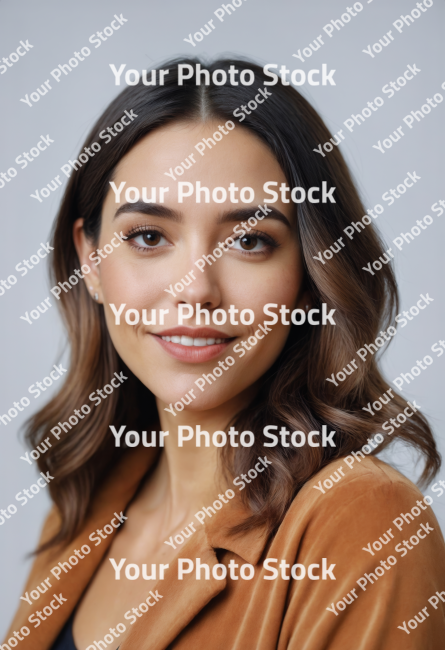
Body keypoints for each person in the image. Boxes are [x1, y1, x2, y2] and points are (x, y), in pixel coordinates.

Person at [5, 58, 445, 650]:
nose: (196, 288)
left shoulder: (363, 519)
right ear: (90, 259)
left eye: (250, 241)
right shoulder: (86, 503)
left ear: (311, 274)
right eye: (148, 236)